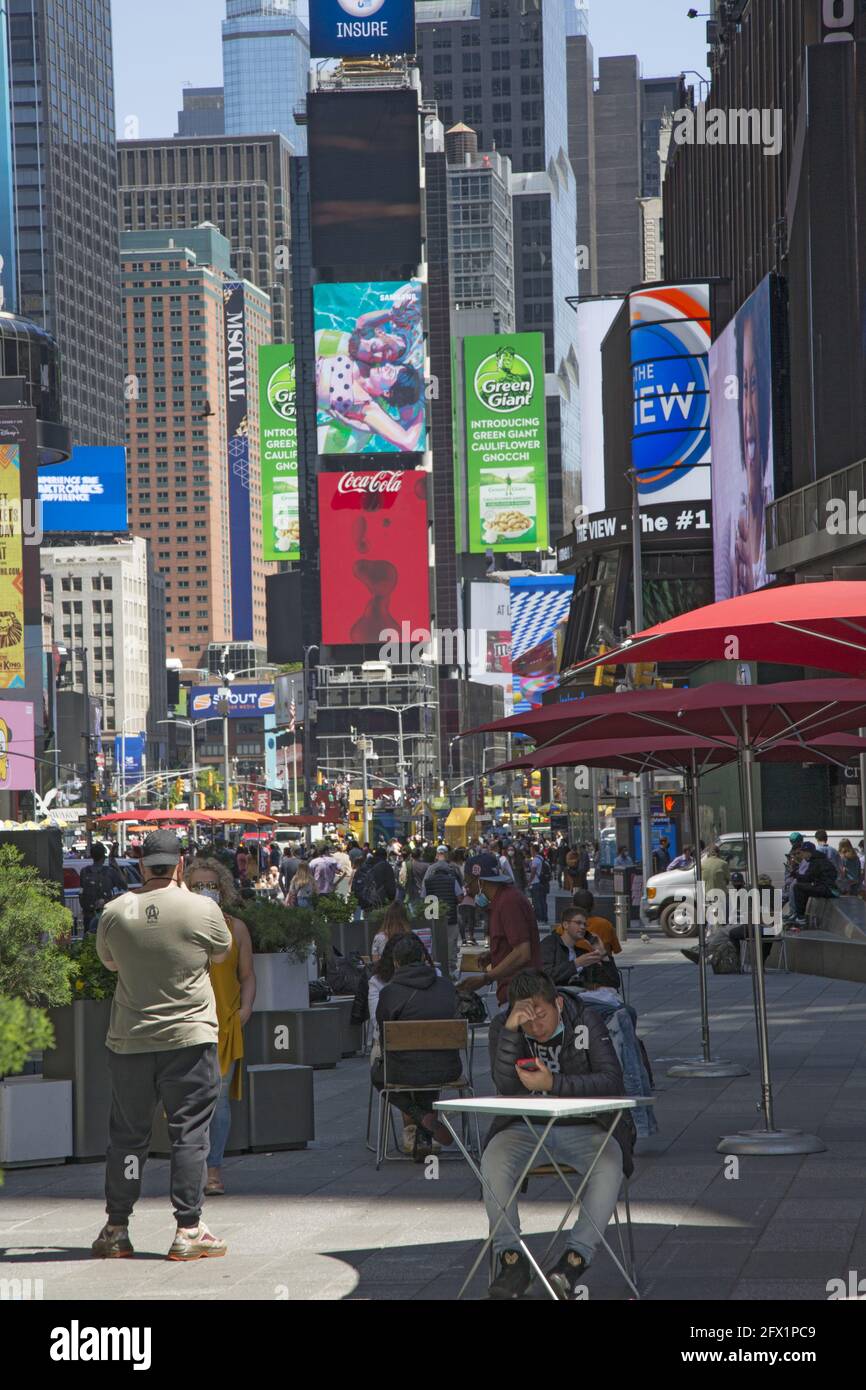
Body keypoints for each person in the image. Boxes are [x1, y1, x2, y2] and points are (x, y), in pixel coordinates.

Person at [92, 831, 232, 1261]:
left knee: (128, 1137)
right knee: (190, 1134)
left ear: (140, 864)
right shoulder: (201, 908)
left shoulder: (116, 911)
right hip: (189, 1039)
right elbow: (223, 954)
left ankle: (117, 1227)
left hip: (131, 1040)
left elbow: (109, 962)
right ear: (180, 864)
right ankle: (188, 1228)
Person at [483, 970, 633, 1300]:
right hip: (524, 1127)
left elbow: (611, 1082)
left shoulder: (586, 1022)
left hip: (584, 1126)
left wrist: (554, 1085)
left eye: (542, 1015)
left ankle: (572, 1262)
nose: (536, 1027)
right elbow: (506, 1087)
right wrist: (511, 1031)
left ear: (559, 1003)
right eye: (527, 1020)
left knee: (610, 1162)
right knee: (494, 1157)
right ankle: (512, 1261)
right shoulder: (505, 1027)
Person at [185, 857, 256, 1197]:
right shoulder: (180, 926)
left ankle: (213, 1170)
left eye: (211, 885)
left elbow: (247, 975)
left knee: (220, 1102)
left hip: (224, 1024)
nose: (205, 891)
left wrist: (245, 1010)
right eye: (197, 885)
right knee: (189, 1102)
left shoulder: (236, 928)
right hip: (185, 1023)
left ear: (223, 888)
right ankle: (192, 1169)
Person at [373, 933, 462, 1160]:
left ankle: (419, 1116)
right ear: (424, 957)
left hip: (403, 1069)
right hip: (448, 1068)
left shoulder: (390, 993)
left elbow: (384, 1039)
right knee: (428, 1065)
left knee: (378, 1073)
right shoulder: (446, 987)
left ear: (396, 963)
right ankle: (425, 1131)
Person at [459, 852, 542, 1007]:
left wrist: (486, 978)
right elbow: (512, 943)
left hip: (522, 994)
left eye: (468, 882)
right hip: (513, 992)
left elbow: (522, 953)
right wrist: (493, 955)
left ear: (480, 881)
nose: (467, 888)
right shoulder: (500, 901)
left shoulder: (509, 902)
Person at [540, 907, 621, 991]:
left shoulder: (581, 953)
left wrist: (603, 953)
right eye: (578, 923)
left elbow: (614, 982)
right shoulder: (550, 943)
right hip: (558, 998)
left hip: (582, 998)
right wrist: (576, 964)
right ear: (565, 925)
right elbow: (545, 977)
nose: (583, 927)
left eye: (585, 924)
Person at [423, 846, 463, 976]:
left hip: (433, 916)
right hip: (451, 915)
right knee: (451, 943)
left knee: (435, 943)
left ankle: (437, 968)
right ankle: (451, 971)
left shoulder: (429, 877)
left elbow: (423, 897)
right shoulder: (453, 876)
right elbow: (460, 896)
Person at [787, 841, 839, 924]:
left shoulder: (815, 862)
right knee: (804, 887)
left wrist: (795, 874)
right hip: (830, 888)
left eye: (802, 852)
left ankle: (800, 917)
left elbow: (807, 878)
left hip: (828, 889)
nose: (802, 855)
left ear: (808, 852)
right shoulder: (822, 859)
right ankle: (799, 914)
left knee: (797, 887)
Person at [80, 842, 127, 933]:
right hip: (104, 914)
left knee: (89, 941)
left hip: (88, 914)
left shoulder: (84, 871)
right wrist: (114, 862)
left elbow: (81, 891)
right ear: (103, 856)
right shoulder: (109, 871)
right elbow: (124, 885)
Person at [571, 889, 623, 957]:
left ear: (572, 906)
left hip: (575, 966)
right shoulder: (606, 925)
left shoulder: (563, 928)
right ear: (594, 905)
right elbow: (616, 950)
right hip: (603, 966)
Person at [526, 843, 549, 925]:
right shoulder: (541, 858)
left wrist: (529, 882)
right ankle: (545, 918)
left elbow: (533, 872)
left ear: (534, 850)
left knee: (537, 901)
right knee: (543, 901)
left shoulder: (535, 860)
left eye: (531, 850)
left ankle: (540, 918)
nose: (530, 851)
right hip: (542, 882)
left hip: (536, 882)